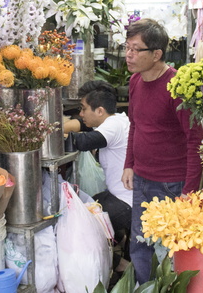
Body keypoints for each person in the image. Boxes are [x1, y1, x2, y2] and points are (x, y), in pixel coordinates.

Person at [120, 18, 203, 284]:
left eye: (136, 49)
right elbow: (135, 125)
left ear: (156, 54)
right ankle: (145, 289)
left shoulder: (177, 86)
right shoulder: (135, 81)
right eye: (127, 47)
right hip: (142, 180)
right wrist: (129, 163)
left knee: (168, 250)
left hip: (171, 184)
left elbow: (195, 140)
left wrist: (189, 192)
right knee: (140, 246)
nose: (129, 55)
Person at [64, 80, 132, 266]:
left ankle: (120, 265)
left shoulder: (113, 125)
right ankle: (119, 249)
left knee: (81, 227)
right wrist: (61, 127)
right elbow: (83, 125)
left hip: (126, 202)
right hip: (121, 194)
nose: (81, 113)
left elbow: (83, 142)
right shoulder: (117, 119)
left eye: (84, 108)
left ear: (100, 111)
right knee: (87, 205)